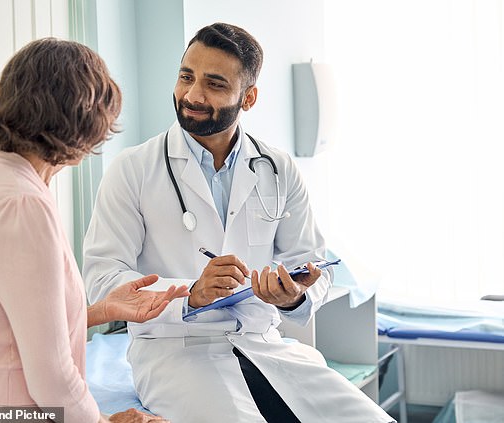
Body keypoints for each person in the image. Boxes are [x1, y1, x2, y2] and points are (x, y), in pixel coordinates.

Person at [83, 23, 394, 423]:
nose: (192, 95)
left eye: (214, 84)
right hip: (174, 351)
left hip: (261, 342)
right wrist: (190, 293)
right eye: (186, 76)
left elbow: (313, 265)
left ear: (248, 97)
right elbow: (102, 279)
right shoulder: (133, 170)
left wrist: (293, 296)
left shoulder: (278, 169)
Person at [0, 38, 189, 423]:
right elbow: (52, 379)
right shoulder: (22, 205)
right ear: (82, 124)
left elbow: (4, 327)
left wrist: (102, 311)